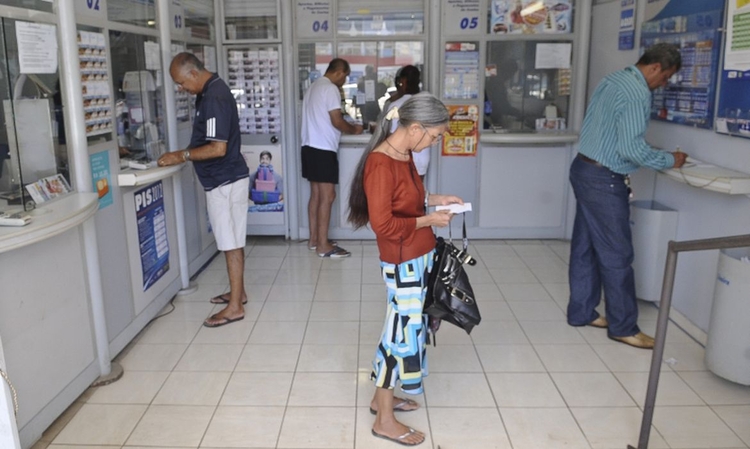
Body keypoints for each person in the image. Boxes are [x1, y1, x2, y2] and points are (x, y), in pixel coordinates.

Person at [348, 92, 463, 446]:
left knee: (403, 331)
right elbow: (383, 225)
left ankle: (379, 399)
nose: (435, 142)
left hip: (418, 255)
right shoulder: (380, 163)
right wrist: (429, 219)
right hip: (402, 262)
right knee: (398, 337)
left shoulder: (405, 154)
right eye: (435, 136)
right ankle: (384, 420)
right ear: (415, 128)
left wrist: (435, 200)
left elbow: (407, 198)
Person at [567, 43, 688, 349]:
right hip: (603, 180)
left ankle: (582, 312)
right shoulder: (637, 92)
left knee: (585, 247)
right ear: (655, 67)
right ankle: (623, 327)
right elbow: (631, 149)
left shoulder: (614, 79)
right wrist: (669, 159)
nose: (663, 84)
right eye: (665, 77)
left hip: (583, 169)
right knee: (617, 255)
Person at [158, 52, 249, 328]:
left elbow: (217, 148)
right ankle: (239, 294)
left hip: (225, 182)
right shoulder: (208, 92)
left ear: (194, 73)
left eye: (181, 82)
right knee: (232, 240)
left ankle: (235, 307)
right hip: (223, 180)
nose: (180, 88)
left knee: (230, 243)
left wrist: (181, 155)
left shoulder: (214, 97)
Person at [301, 58, 364, 257]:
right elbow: (336, 120)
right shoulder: (330, 88)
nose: (345, 81)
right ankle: (323, 246)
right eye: (345, 76)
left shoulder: (313, 87)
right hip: (323, 149)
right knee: (328, 196)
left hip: (309, 146)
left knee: (316, 195)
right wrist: (354, 129)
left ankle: (314, 240)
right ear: (339, 72)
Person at [383, 66, 430, 181]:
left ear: (403, 81)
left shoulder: (396, 105)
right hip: (422, 157)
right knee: (417, 189)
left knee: (402, 191)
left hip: (401, 159)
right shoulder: (426, 103)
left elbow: (391, 136)